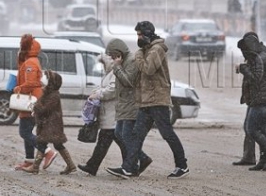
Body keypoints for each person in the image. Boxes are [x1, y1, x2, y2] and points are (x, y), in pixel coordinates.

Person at [106, 21, 189, 179]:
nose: (138, 37)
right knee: (136, 135)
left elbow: (148, 69)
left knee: (167, 134)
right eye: (137, 34)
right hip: (146, 101)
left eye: (140, 34)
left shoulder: (157, 49)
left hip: (157, 100)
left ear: (148, 34)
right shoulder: (146, 50)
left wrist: (138, 55)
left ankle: (182, 165)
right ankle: (128, 168)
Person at [107, 38, 153, 175]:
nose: (111, 58)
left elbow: (128, 82)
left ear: (118, 52)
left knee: (126, 136)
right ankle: (138, 160)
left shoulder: (131, 61)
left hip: (132, 105)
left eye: (112, 55)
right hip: (124, 105)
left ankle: (134, 164)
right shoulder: (123, 61)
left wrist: (117, 67)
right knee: (118, 134)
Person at [237, 32, 266, 171]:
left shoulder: (259, 58)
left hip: (261, 99)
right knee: (262, 129)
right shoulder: (259, 55)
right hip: (262, 98)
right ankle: (262, 160)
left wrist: (244, 69)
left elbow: (256, 79)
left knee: (252, 129)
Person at [78, 54, 127, 176]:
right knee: (118, 141)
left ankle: (92, 166)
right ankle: (136, 162)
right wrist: (96, 92)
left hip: (111, 114)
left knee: (105, 141)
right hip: (108, 114)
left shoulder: (115, 73)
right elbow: (103, 87)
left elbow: (112, 90)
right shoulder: (110, 73)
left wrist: (98, 94)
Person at [14, 34, 56, 171]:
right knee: (27, 130)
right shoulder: (30, 60)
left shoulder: (31, 62)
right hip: (30, 100)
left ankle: (47, 152)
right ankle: (29, 160)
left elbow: (31, 83)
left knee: (24, 132)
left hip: (31, 101)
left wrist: (19, 88)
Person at [23, 70, 77, 174]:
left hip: (51, 124)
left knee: (42, 143)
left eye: (47, 78)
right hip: (50, 124)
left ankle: (35, 167)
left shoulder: (53, 95)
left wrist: (36, 106)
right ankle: (71, 165)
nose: (44, 79)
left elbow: (45, 109)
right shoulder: (48, 93)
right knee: (57, 145)